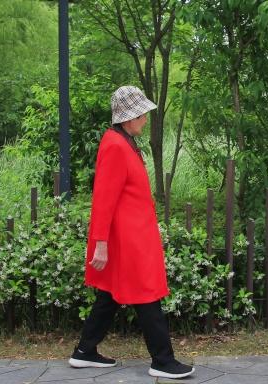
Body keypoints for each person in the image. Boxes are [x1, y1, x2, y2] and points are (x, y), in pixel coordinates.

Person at [68, 86, 194, 379]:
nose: (145, 119)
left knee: (110, 294)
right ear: (128, 117)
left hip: (133, 235)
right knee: (146, 293)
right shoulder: (115, 145)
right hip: (128, 240)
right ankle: (162, 360)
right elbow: (103, 199)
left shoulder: (123, 141)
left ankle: (85, 351)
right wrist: (100, 243)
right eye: (142, 114)